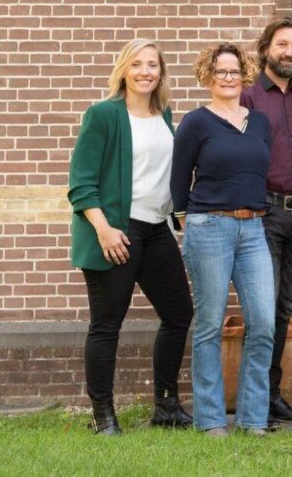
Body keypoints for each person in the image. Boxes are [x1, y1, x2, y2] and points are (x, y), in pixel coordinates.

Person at [67, 40, 194, 435]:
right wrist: (104, 229)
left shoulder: (163, 114)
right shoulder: (104, 114)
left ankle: (166, 406)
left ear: (161, 72)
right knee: (107, 324)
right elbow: (81, 183)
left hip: (155, 229)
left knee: (178, 314)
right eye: (137, 64)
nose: (145, 72)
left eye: (152, 65)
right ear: (124, 69)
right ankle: (102, 415)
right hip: (116, 231)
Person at [170, 42, 275, 436]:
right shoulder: (195, 122)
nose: (228, 78)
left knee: (263, 323)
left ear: (244, 75)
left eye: (234, 71)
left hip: (253, 228)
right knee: (210, 324)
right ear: (208, 76)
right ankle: (211, 419)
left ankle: (252, 418)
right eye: (220, 71)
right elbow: (179, 182)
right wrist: (189, 226)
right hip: (209, 227)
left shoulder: (260, 122)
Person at [241, 17, 292, 426]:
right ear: (266, 49)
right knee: (263, 309)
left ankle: (271, 397)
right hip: (265, 214)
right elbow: (239, 155)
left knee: (285, 306)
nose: (289, 51)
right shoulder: (248, 97)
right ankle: (254, 403)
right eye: (282, 44)